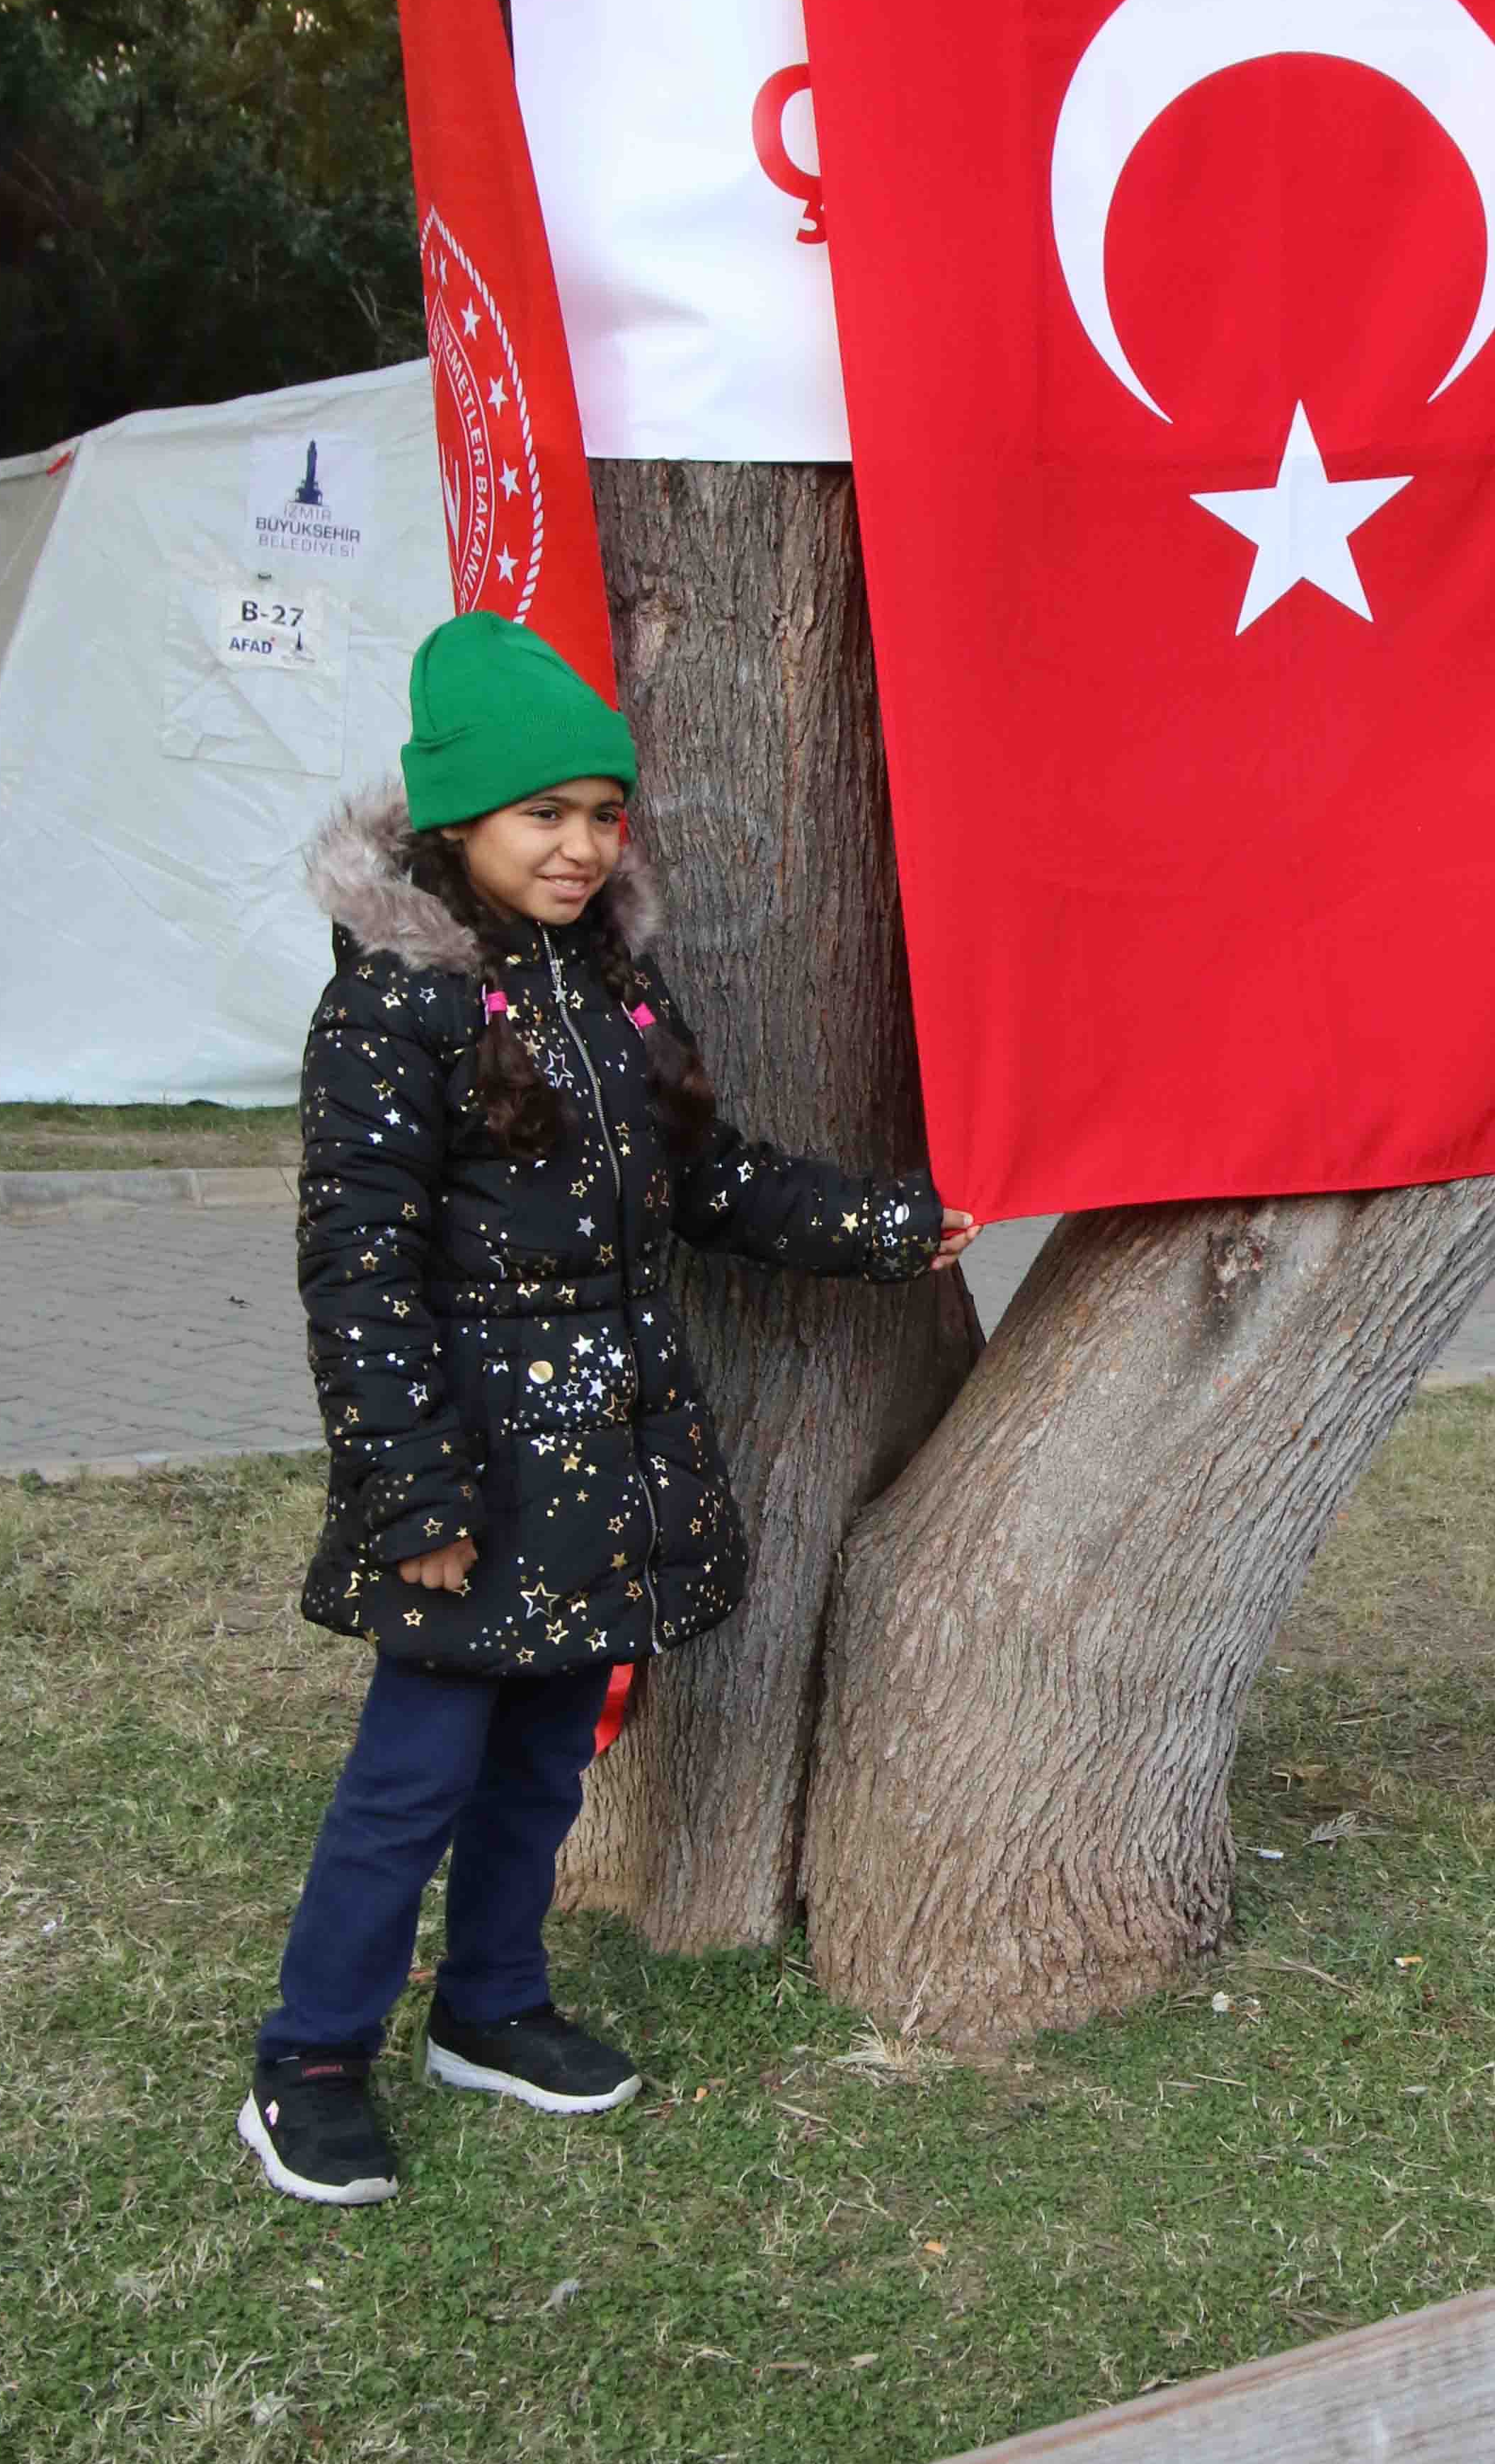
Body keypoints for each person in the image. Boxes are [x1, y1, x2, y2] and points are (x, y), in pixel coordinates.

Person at [241, 612, 977, 2208]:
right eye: (541, 815)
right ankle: (308, 2062)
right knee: (412, 1778)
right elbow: (357, 1270)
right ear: (455, 823)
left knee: (549, 1762)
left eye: (600, 814)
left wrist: (880, 1225)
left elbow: (710, 1183)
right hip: (471, 1475)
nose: (579, 847)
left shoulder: (614, 990)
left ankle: (493, 2007)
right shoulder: (393, 1009)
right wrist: (412, 1497)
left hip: (608, 1462)